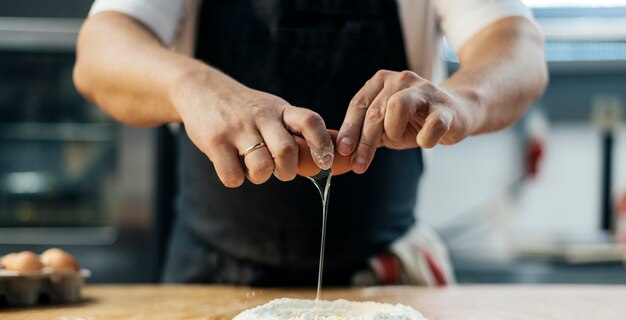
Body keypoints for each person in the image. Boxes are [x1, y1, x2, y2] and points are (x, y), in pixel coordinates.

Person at [74, 0, 547, 286]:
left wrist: (459, 101)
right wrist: (192, 86)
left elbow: (517, 46)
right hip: (209, 274)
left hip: (386, 278)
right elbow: (99, 50)